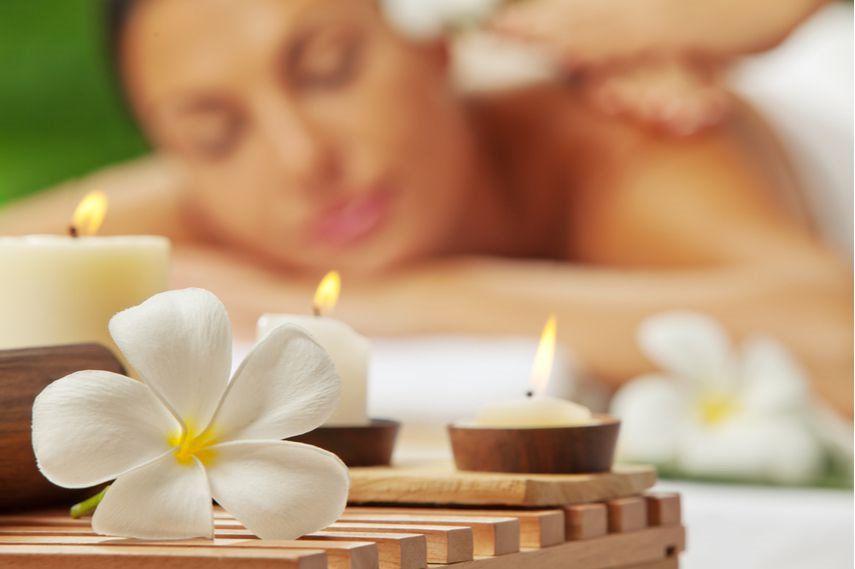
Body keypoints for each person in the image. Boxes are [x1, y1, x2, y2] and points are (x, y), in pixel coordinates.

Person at [0, 0, 850, 415]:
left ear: (437, 41)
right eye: (213, 130)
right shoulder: (225, 193)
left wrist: (396, 301)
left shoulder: (626, 126)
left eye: (330, 68)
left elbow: (834, 333)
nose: (302, 160)